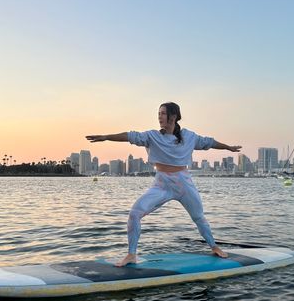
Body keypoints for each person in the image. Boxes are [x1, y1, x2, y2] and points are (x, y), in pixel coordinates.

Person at [86, 102, 242, 267]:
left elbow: (209, 142)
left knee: (198, 217)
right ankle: (131, 254)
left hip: (183, 183)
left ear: (173, 117)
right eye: (158, 113)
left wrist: (229, 148)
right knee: (134, 214)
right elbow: (129, 136)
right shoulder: (152, 136)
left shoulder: (189, 136)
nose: (159, 117)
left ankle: (214, 247)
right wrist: (106, 137)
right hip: (161, 183)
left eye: (162, 113)